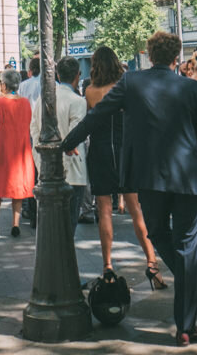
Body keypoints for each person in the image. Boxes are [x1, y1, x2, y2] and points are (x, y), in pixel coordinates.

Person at [62, 31, 197, 346]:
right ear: (177, 57)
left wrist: (68, 142)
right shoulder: (191, 87)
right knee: (187, 247)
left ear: (149, 54)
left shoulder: (132, 83)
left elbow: (99, 115)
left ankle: (194, 307)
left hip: (149, 179)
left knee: (157, 233)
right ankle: (186, 324)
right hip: (190, 178)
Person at [81, 46, 164, 288]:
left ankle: (107, 265)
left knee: (104, 209)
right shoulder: (125, 88)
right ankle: (152, 263)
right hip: (125, 151)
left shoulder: (90, 92)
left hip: (100, 152)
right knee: (136, 209)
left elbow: (88, 123)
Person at [31, 56, 87, 229]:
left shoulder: (43, 100)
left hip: (46, 169)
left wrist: (39, 159)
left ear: (58, 74)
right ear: (78, 75)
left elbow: (34, 130)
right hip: (72, 171)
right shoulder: (78, 101)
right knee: (68, 224)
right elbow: (76, 135)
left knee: (51, 225)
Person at [0, 68, 33, 238]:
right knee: (18, 188)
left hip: (1, 149)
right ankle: (15, 223)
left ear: (4, 84)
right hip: (20, 150)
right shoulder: (26, 103)